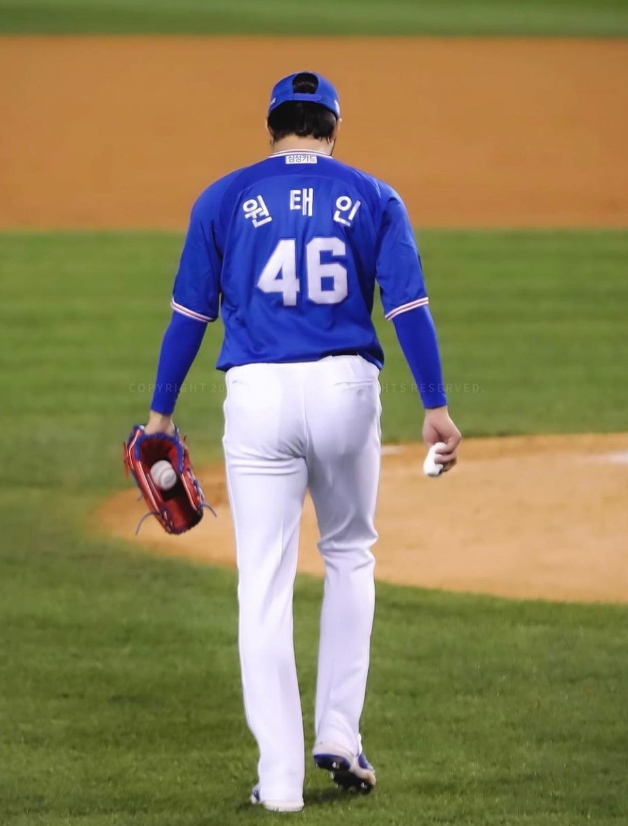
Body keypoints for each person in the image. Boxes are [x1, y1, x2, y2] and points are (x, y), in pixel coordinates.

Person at [144, 70, 461, 813]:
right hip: (347, 390)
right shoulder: (374, 196)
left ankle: (281, 780)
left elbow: (189, 318)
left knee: (263, 582)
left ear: (272, 126)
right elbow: (408, 308)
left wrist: (160, 415)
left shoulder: (223, 198)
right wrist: (436, 405)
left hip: (257, 396)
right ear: (333, 129)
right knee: (349, 554)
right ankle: (341, 734)